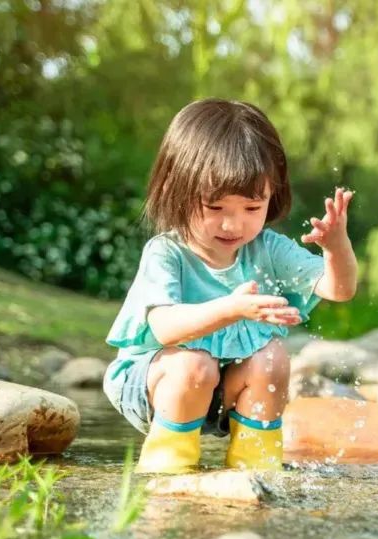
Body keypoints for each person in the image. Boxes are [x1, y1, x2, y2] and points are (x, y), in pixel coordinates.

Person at [103, 99, 358, 473]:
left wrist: (337, 247)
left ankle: (255, 467)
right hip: (157, 386)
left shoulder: (267, 248)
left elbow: (339, 289)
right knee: (194, 364)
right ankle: (167, 469)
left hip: (220, 391)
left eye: (252, 208)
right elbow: (165, 327)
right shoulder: (167, 252)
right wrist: (231, 309)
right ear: (177, 189)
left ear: (273, 195)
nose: (233, 225)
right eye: (215, 207)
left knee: (272, 357)